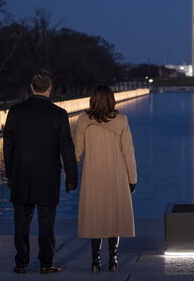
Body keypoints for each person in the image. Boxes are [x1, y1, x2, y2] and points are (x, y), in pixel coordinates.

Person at [3, 70, 78, 275]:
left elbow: (8, 145)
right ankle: (46, 263)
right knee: (46, 222)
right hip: (47, 176)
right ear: (50, 88)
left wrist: (9, 173)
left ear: (32, 87)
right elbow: (66, 147)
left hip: (21, 173)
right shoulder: (58, 114)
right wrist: (72, 177)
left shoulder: (15, 112)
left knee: (21, 220)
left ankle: (21, 263)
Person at [74, 85, 137, 273]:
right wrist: (132, 179)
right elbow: (129, 153)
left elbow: (76, 152)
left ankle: (95, 261)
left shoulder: (84, 121)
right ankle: (113, 260)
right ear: (112, 100)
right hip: (116, 174)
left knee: (96, 216)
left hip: (92, 175)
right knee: (113, 216)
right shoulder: (122, 120)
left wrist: (67, 174)